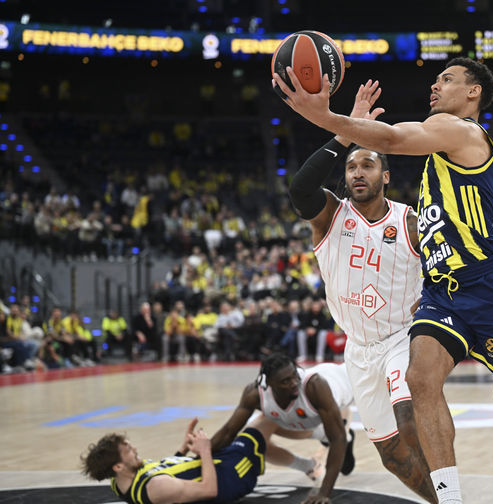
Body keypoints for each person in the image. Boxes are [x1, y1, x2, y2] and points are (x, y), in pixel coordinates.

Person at [274, 56, 493, 504]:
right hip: (442, 295)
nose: (434, 86)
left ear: (473, 92)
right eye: (435, 79)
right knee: (420, 379)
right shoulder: (437, 155)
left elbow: (391, 138)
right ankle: (450, 500)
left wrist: (326, 117)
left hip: (490, 288)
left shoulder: (461, 131)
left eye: (446, 79)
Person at [284, 79, 435, 502]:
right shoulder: (330, 215)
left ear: (385, 176)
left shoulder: (410, 222)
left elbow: (445, 271)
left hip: (402, 338)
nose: (357, 173)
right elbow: (299, 189)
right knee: (392, 456)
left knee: (409, 422)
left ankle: (453, 495)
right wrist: (343, 133)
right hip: (358, 350)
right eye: (351, 167)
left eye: (367, 166)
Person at [211, 353, 355, 504]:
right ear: (269, 383)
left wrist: (324, 493)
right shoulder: (255, 393)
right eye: (286, 381)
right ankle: (310, 465)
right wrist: (201, 455)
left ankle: (342, 433)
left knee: (338, 437)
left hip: (350, 383)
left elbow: (337, 439)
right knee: (253, 440)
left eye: (295, 376)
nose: (294, 383)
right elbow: (228, 432)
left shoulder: (314, 386)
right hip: (304, 419)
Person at [81, 417, 265, 504]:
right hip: (230, 477)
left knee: (262, 431)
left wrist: (183, 449)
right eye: (128, 450)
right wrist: (205, 450)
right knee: (262, 422)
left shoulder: (119, 481)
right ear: (118, 466)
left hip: (215, 466)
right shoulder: (156, 486)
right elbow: (210, 490)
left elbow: (168, 473)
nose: (135, 449)